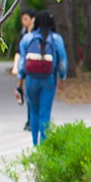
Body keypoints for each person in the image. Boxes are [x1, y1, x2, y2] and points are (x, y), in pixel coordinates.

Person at [18, 10, 67, 146]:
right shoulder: (56, 39)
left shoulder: (27, 38)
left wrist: (19, 81)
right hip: (49, 79)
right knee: (45, 113)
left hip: (31, 79)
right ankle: (44, 145)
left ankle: (35, 144)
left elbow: (22, 62)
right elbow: (62, 61)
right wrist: (62, 78)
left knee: (34, 112)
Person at [13, 9, 37, 125]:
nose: (23, 22)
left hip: (34, 68)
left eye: (26, 19)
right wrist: (15, 66)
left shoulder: (37, 34)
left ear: (33, 19)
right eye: (22, 19)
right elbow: (18, 52)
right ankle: (30, 120)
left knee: (32, 95)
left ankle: (33, 120)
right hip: (26, 68)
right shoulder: (23, 33)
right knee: (29, 96)